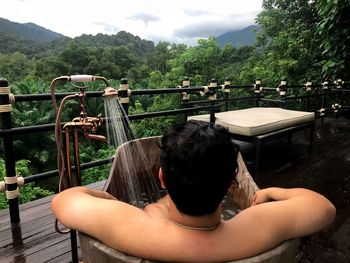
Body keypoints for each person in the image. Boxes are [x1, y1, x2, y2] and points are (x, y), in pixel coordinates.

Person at [52, 120, 336, 262]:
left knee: (154, 207)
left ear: (162, 177)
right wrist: (270, 193)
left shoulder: (138, 228)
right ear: (229, 183)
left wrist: (114, 204)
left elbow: (66, 199)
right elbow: (324, 207)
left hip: (151, 224)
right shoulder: (257, 227)